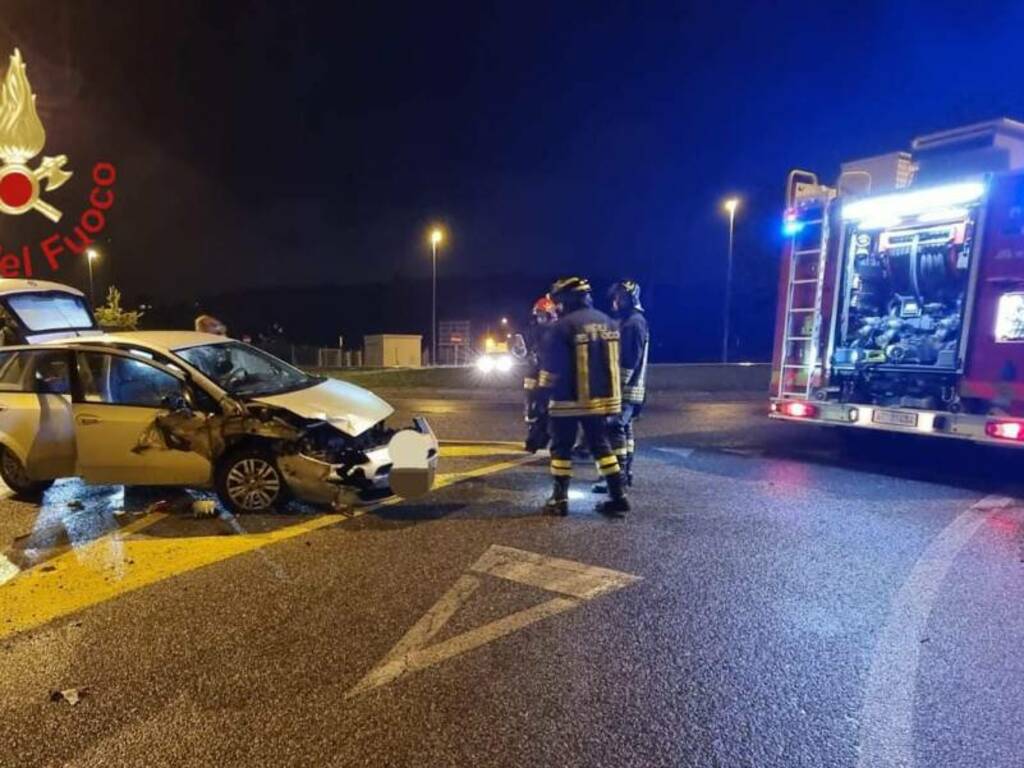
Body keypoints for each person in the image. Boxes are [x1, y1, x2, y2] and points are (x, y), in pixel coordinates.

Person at [537, 276, 630, 517]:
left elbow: (550, 369)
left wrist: (540, 402)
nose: (557, 307)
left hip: (567, 400)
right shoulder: (609, 322)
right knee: (602, 447)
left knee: (561, 449)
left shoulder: (561, 327)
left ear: (567, 300)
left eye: (558, 302)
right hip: (601, 401)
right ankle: (618, 496)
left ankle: (559, 499)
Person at [595, 279, 650, 493]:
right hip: (629, 389)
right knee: (624, 431)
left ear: (630, 298)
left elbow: (628, 361)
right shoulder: (630, 321)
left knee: (614, 428)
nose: (616, 300)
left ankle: (616, 479)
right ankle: (624, 475)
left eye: (620, 297)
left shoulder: (634, 323)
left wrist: (614, 387)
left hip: (625, 389)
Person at [518, 295, 558, 453]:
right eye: (538, 315)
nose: (540, 318)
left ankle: (539, 440)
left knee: (546, 410)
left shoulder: (556, 332)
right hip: (534, 375)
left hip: (548, 377)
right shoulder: (533, 331)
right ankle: (536, 439)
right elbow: (524, 349)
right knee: (533, 410)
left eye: (543, 315)